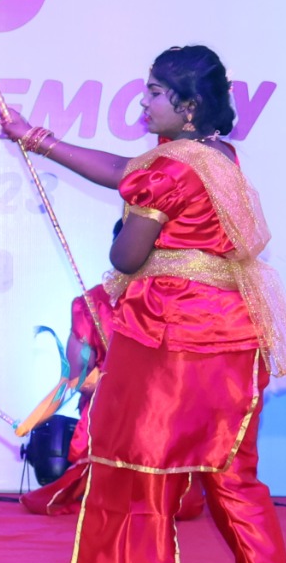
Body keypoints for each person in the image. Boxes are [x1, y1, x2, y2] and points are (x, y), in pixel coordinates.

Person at [3, 45, 286, 563]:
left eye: (153, 92)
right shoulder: (217, 157)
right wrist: (37, 139)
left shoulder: (168, 170)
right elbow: (125, 169)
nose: (142, 103)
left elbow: (126, 257)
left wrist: (127, 234)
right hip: (233, 336)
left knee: (135, 468)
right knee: (233, 479)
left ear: (187, 105)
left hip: (169, 336)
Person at [21, 223, 208, 522]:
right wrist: (112, 382)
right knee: (115, 498)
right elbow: (77, 378)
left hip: (167, 421)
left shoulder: (185, 303)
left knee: (182, 506)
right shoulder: (93, 303)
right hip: (110, 418)